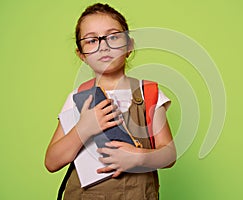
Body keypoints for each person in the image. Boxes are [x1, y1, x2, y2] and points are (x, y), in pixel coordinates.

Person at [45, 3, 176, 200]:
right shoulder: (77, 98)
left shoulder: (149, 93)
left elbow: (169, 155)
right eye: (91, 40)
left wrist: (138, 157)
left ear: (129, 45)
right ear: (81, 54)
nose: (103, 46)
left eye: (113, 36)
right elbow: (52, 162)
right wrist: (85, 128)